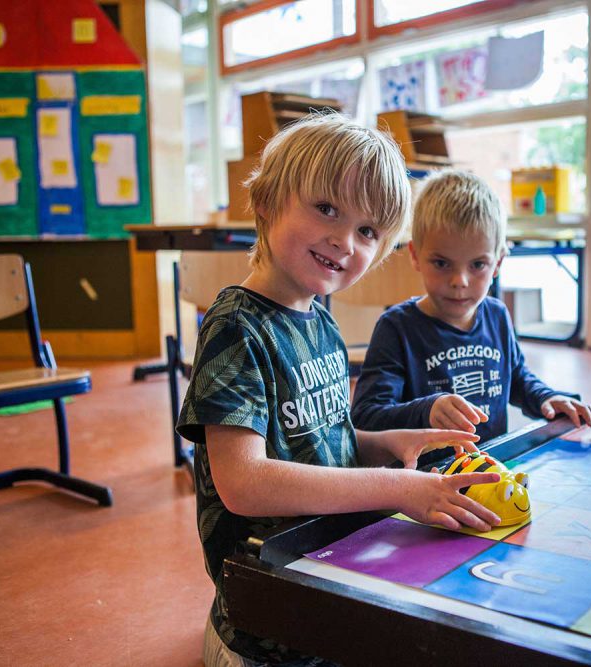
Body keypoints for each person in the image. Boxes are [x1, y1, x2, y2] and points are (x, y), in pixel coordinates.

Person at [176, 114, 503, 667]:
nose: (343, 240)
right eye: (327, 208)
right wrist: (396, 488)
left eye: (368, 231)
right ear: (267, 200)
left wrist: (389, 443)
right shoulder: (237, 326)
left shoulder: (321, 323)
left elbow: (318, 437)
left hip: (330, 586)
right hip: (269, 629)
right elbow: (245, 484)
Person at [351, 169, 591, 443]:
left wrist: (546, 397)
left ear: (498, 263)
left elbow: (515, 378)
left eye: (477, 265)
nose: (459, 281)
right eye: (442, 263)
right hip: (428, 478)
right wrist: (427, 411)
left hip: (492, 472)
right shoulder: (396, 328)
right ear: (416, 256)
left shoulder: (497, 315)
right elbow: (366, 417)